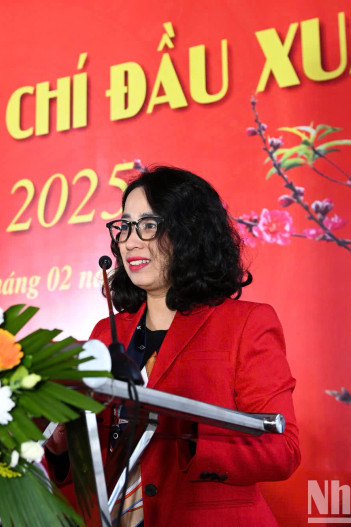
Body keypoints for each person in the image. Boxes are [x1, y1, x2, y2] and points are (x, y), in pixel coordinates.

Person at [46, 166, 300, 526]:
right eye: (125, 227)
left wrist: (189, 436)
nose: (130, 241)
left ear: (190, 233)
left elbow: (283, 448)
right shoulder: (106, 333)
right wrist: (61, 448)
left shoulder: (247, 323)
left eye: (148, 225)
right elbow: (103, 455)